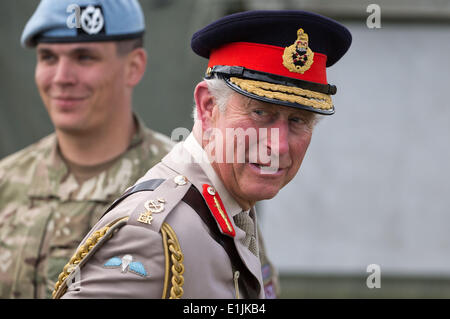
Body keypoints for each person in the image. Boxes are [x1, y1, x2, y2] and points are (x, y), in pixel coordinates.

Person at [53, 10, 352, 299]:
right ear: (208, 107)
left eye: (298, 120)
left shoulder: (229, 209)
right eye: (261, 112)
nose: (280, 146)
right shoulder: (152, 233)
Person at [0, 0, 174, 299]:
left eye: (84, 57)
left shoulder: (185, 184)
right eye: (48, 57)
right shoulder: (7, 181)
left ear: (133, 67)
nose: (62, 78)